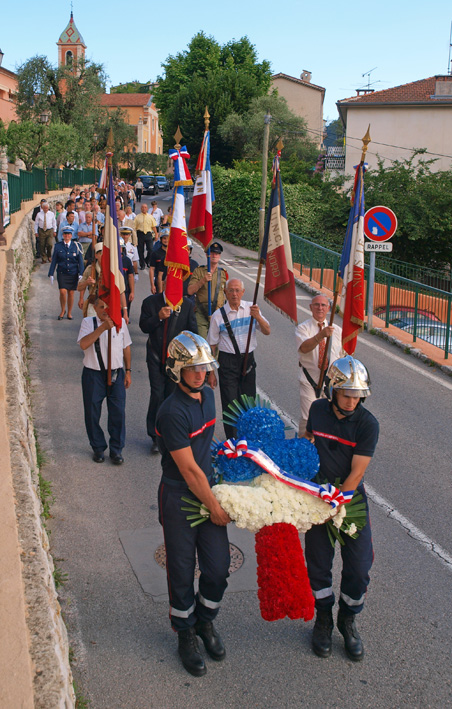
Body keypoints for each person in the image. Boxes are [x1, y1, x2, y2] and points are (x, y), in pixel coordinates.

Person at [155, 331, 230, 677]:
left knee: (217, 568)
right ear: (177, 370)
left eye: (203, 367)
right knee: (182, 571)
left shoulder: (209, 397)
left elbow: (207, 448)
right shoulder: (170, 412)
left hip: (208, 489)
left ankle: (204, 621)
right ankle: (185, 633)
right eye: (192, 368)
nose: (200, 374)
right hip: (181, 496)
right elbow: (188, 470)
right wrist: (215, 506)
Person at [303, 355, 379, 662]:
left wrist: (339, 503)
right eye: (347, 394)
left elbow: (357, 472)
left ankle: (347, 619)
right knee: (318, 565)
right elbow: (310, 441)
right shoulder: (318, 410)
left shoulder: (368, 424)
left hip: (348, 499)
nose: (352, 401)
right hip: (318, 497)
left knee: (359, 568)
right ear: (333, 390)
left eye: (357, 395)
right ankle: (323, 619)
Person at [207, 279, 270, 438]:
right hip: (227, 362)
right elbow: (211, 346)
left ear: (242, 292)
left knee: (248, 404)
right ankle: (233, 442)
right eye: (231, 291)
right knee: (230, 404)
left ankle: (247, 440)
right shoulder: (218, 316)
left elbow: (267, 331)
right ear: (226, 293)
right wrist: (210, 372)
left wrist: (258, 317)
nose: (234, 294)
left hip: (248, 361)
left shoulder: (251, 309)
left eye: (237, 290)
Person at [139, 291, 197, 454]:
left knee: (172, 396)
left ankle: (170, 434)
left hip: (176, 360)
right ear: (164, 283)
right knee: (157, 394)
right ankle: (155, 436)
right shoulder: (150, 302)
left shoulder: (186, 305)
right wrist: (158, 317)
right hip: (155, 356)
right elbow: (143, 326)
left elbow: (193, 333)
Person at [77, 297, 132, 465]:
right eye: (101, 307)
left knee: (118, 412)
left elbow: (126, 346)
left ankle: (116, 449)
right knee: (92, 412)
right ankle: (98, 447)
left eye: (108, 307)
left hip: (116, 373)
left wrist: (128, 371)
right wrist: (102, 328)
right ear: (95, 307)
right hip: (93, 374)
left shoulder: (120, 322)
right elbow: (84, 344)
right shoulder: (88, 322)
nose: (105, 310)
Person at [295, 294, 343, 436]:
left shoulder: (338, 331)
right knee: (308, 417)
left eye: (323, 305)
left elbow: (342, 355)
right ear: (311, 307)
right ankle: (303, 448)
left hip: (330, 383)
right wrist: (320, 335)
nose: (320, 308)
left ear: (328, 308)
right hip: (310, 379)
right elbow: (304, 348)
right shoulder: (303, 328)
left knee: (330, 419)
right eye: (316, 305)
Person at [187, 242, 227, 339]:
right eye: (212, 253)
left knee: (216, 344)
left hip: (218, 313)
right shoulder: (199, 271)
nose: (214, 255)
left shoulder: (223, 273)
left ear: (219, 256)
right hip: (202, 312)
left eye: (216, 254)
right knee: (203, 343)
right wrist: (203, 281)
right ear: (207, 255)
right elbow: (190, 291)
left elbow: (226, 293)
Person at [48, 226, 84, 320]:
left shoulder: (77, 246)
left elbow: (80, 261)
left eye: (68, 234)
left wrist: (81, 273)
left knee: (71, 293)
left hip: (73, 272)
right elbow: (54, 260)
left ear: (71, 235)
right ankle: (62, 310)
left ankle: (69, 312)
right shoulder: (58, 246)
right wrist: (51, 273)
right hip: (62, 272)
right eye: (65, 234)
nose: (67, 236)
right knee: (62, 291)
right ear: (62, 235)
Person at [133, 204, 158, 270]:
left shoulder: (150, 217)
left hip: (148, 234)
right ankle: (142, 264)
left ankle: (147, 260)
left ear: (147, 209)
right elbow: (134, 227)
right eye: (142, 207)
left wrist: (156, 234)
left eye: (145, 207)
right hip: (140, 234)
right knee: (140, 250)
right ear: (141, 209)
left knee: (151, 249)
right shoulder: (137, 217)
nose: (144, 208)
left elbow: (154, 226)